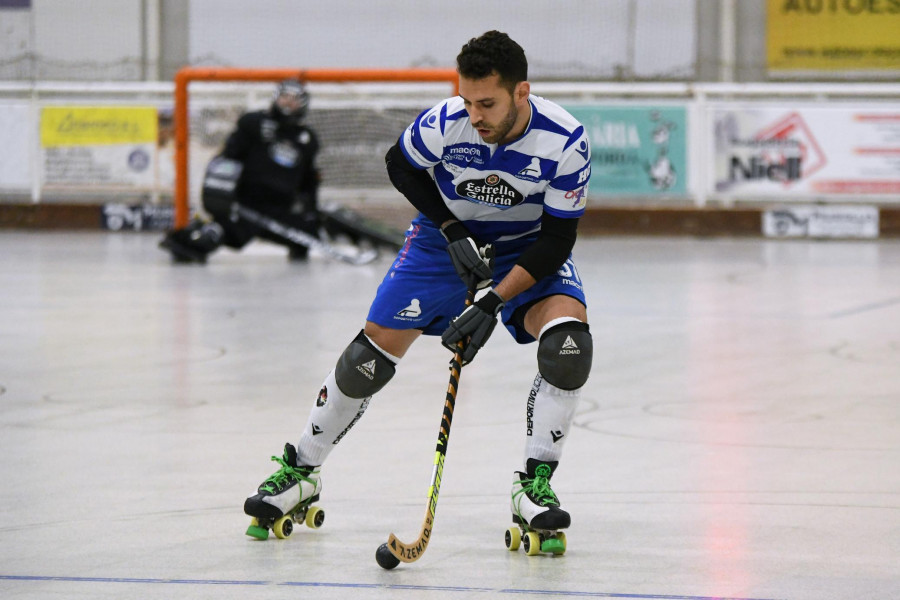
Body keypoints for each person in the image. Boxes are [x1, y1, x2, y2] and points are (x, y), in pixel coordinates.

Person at [244, 31, 593, 546]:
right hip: (441, 240)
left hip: (527, 245)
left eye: (488, 103)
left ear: (522, 93)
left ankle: (533, 486)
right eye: (468, 100)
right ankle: (301, 471)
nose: (475, 115)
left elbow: (559, 238)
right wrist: (452, 230)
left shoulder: (564, 138)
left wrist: (494, 301)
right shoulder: (447, 121)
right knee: (366, 357)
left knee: (568, 345)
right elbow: (400, 165)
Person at [159, 79, 321, 263]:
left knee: (308, 235)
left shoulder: (308, 139)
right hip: (246, 204)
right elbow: (227, 159)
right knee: (220, 235)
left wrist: (310, 211)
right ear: (276, 98)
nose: (288, 102)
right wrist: (222, 198)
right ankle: (190, 237)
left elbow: (309, 181)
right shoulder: (254, 123)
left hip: (278, 210)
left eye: (294, 99)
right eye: (285, 96)